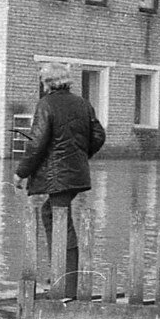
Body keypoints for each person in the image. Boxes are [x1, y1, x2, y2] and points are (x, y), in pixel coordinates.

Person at [13, 61, 106, 299]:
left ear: (48, 83)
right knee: (54, 214)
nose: (43, 85)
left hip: (58, 176)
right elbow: (98, 135)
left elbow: (36, 144)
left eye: (43, 81)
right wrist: (80, 155)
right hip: (75, 173)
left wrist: (21, 172)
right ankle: (62, 277)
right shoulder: (82, 103)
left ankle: (66, 285)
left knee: (58, 218)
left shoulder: (46, 104)